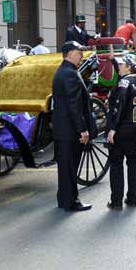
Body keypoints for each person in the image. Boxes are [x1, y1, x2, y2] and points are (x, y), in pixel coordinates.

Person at [52, 41, 95, 212]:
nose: (82, 55)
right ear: (70, 53)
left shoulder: (63, 71)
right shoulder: (69, 73)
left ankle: (64, 199)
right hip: (70, 130)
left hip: (62, 128)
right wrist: (82, 130)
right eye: (79, 52)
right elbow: (74, 105)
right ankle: (71, 201)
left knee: (65, 167)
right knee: (70, 168)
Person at [106, 52, 136, 210]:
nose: (119, 67)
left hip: (123, 128)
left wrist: (112, 129)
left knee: (116, 163)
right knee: (133, 161)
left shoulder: (124, 82)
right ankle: (132, 198)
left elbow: (119, 105)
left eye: (121, 65)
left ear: (129, 66)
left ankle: (116, 201)